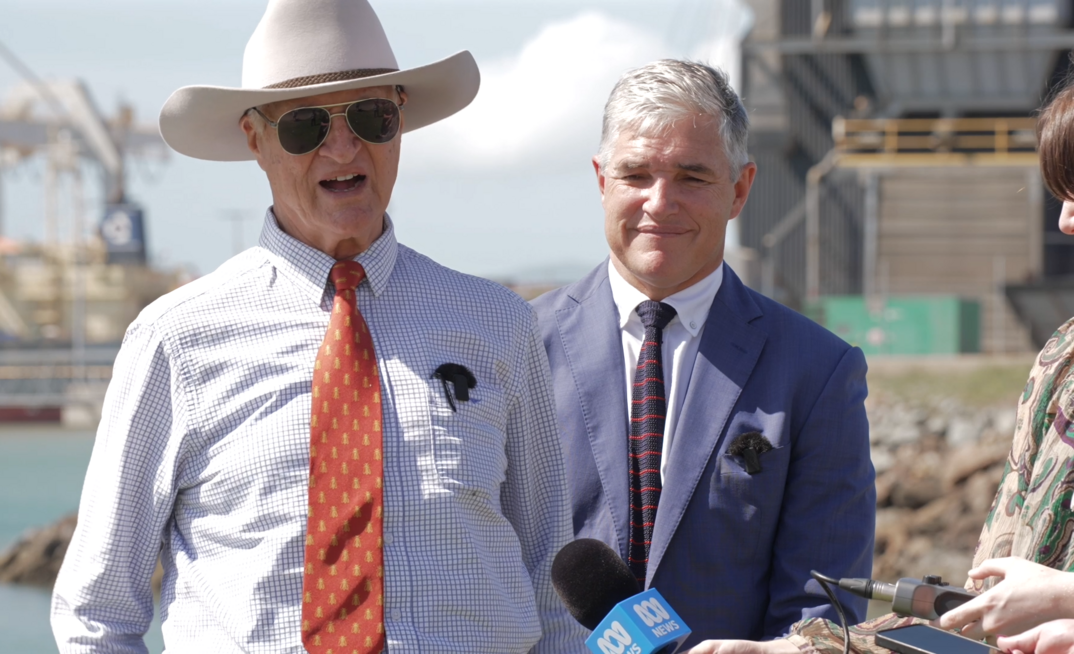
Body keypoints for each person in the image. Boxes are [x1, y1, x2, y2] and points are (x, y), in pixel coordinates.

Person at [50, 1, 585, 652]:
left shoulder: (500, 325)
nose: (343, 146)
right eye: (306, 125)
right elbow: (96, 617)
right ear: (255, 138)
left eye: (371, 116)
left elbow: (553, 590)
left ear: (400, 120)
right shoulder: (175, 341)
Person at [694, 74, 1074, 654]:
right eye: (1062, 194)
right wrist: (789, 651)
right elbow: (980, 615)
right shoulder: (1062, 360)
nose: (1065, 221)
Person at [530, 59, 877, 648]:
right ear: (600, 180)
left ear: (740, 189)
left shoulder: (817, 371)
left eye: (692, 177)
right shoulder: (518, 347)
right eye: (636, 174)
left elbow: (824, 607)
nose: (660, 203)